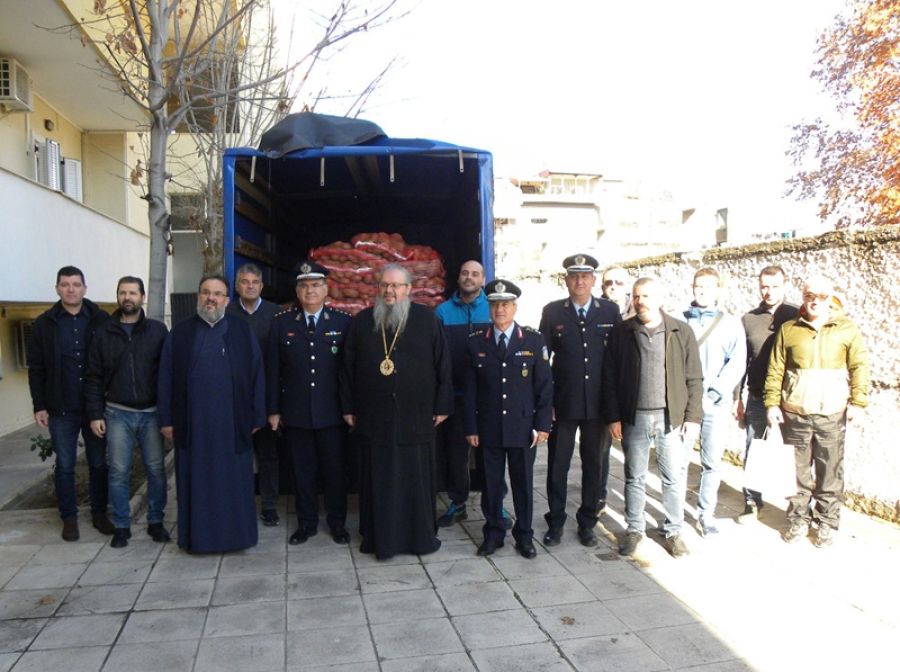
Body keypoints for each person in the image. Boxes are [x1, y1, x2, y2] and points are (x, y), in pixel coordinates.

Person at [339, 263, 453, 559]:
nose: (389, 291)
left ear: (408, 289)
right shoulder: (363, 322)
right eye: (384, 286)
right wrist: (348, 407)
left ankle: (419, 537)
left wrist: (443, 404)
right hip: (374, 418)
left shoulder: (427, 321)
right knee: (379, 480)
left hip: (416, 418)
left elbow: (444, 366)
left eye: (395, 286)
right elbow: (346, 369)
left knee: (414, 479)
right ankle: (380, 538)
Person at [158, 275, 266, 553]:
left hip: (232, 425)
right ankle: (199, 539)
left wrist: (256, 416)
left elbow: (257, 375)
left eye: (218, 294)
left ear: (227, 301)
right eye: (206, 292)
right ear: (198, 297)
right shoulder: (180, 334)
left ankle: (237, 538)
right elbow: (166, 378)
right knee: (197, 482)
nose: (211, 298)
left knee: (233, 484)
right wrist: (167, 420)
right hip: (193, 426)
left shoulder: (241, 331)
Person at [764, 275, 869, 548]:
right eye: (810, 295)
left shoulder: (846, 329)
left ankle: (826, 522)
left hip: (832, 413)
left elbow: (859, 366)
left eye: (821, 296)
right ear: (803, 297)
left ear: (830, 298)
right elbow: (776, 369)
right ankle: (798, 518)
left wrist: (858, 403)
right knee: (796, 472)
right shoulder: (789, 329)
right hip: (795, 412)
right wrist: (772, 404)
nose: (814, 301)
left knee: (829, 471)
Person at [602, 277, 703, 559]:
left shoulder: (680, 331)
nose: (640, 301)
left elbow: (694, 377)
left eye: (646, 296)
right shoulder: (622, 332)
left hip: (670, 417)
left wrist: (693, 417)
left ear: (660, 298)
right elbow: (609, 377)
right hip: (634, 418)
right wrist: (613, 416)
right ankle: (634, 530)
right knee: (634, 476)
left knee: (673, 477)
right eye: (636, 296)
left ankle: (673, 531)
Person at [464, 280, 552, 559]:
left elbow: (544, 387)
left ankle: (524, 536)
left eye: (505, 304)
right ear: (488, 307)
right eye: (495, 304)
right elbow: (469, 391)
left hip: (523, 427)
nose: (500, 309)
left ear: (514, 307)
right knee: (490, 484)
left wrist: (542, 425)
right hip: (488, 427)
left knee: (523, 484)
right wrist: (470, 426)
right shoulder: (476, 342)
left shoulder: (534, 341)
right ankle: (493, 534)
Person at [539, 254, 620, 548]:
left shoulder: (610, 312)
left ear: (594, 280)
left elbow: (616, 361)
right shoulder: (553, 313)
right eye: (574, 276)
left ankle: (587, 522)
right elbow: (543, 361)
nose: (580, 281)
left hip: (598, 405)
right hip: (564, 402)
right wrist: (545, 404)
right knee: (557, 465)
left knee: (593, 465)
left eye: (585, 276)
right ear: (566, 280)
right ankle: (556, 521)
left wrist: (615, 409)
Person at [267, 261, 351, 545]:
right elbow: (273, 371)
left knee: (335, 472)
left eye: (316, 285)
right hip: (297, 413)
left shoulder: (342, 322)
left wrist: (350, 409)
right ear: (297, 290)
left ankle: (337, 523)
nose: (310, 290)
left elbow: (348, 372)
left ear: (326, 289)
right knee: (302, 473)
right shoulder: (282, 323)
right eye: (304, 285)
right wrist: (274, 410)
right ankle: (307, 523)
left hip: (333, 414)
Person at [27, 266, 112, 542]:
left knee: (99, 462)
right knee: (64, 464)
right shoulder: (44, 324)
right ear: (57, 289)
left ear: (85, 288)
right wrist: (39, 405)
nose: (71, 289)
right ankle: (69, 518)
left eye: (76, 284)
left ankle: (99, 514)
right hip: (60, 407)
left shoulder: (100, 319)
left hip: (94, 408)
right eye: (65, 285)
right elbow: (36, 368)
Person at [84, 276, 170, 548]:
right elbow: (94, 377)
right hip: (117, 412)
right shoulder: (104, 333)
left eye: (133, 292)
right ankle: (121, 525)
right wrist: (95, 414)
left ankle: (156, 521)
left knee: (156, 470)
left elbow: (168, 374)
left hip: (152, 412)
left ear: (142, 296)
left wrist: (169, 413)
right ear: (118, 297)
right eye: (123, 292)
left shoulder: (157, 331)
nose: (127, 297)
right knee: (119, 470)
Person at [683, 267, 746, 536]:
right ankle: (672, 515)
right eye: (699, 286)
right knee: (678, 461)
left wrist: (713, 394)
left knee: (711, 463)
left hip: (714, 405)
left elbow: (736, 363)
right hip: (684, 405)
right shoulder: (679, 319)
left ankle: (705, 514)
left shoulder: (731, 323)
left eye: (708, 286)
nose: (703, 291)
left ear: (719, 290)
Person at [735, 265, 798, 522]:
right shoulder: (749, 319)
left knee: (796, 453)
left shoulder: (796, 315)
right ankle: (752, 501)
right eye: (764, 286)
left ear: (784, 286)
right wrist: (735, 398)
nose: (768, 291)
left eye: (774, 286)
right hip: (758, 395)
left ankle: (797, 508)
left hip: (791, 397)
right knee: (754, 448)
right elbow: (742, 361)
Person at [434, 260, 491, 527]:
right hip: (456, 396)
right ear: (458, 278)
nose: (469, 277)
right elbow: (435, 356)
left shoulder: (494, 308)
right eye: (465, 273)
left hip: (489, 397)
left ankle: (495, 504)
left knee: (490, 452)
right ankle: (458, 503)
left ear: (483, 279)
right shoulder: (442, 312)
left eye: (475, 274)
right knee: (456, 454)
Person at [226, 263, 282, 527]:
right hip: (234, 396)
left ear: (261, 286)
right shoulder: (227, 312)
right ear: (237, 286)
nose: (249, 286)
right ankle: (240, 502)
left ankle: (269, 505)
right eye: (244, 282)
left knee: (268, 454)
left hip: (266, 394)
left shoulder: (275, 313)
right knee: (238, 453)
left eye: (254, 282)